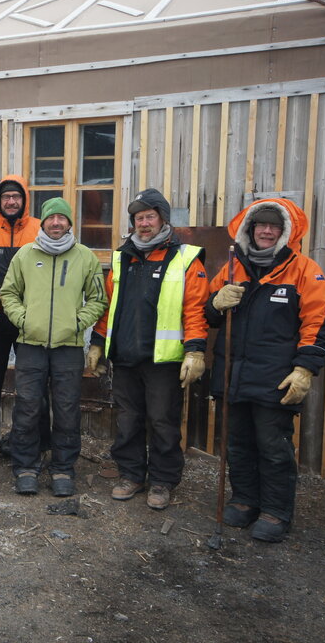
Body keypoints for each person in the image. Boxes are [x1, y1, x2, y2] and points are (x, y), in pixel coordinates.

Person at [207, 198, 325, 542]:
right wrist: (216, 302)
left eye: (273, 226)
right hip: (233, 374)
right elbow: (210, 314)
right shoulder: (233, 267)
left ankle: (275, 511)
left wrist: (305, 369)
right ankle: (245, 500)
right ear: (250, 229)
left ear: (285, 232)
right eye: (260, 225)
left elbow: (319, 324)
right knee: (237, 443)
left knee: (272, 446)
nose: (266, 231)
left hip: (275, 378)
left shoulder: (304, 271)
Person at [88, 189, 209, 511]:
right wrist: (98, 343)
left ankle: (162, 480)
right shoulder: (122, 258)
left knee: (162, 421)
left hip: (163, 361)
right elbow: (109, 307)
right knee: (128, 420)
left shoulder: (184, 258)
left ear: (162, 219)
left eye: (149, 217)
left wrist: (195, 351)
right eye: (138, 218)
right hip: (126, 356)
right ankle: (130, 475)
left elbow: (195, 310)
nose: (143, 223)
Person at [0, 197, 107, 496]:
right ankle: (26, 466)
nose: (56, 223)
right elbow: (8, 293)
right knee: (27, 408)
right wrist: (23, 319)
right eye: (51, 218)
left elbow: (98, 299)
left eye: (62, 218)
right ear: (43, 222)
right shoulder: (25, 255)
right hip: (30, 346)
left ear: (70, 223)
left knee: (67, 410)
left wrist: (76, 322)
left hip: (68, 348)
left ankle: (62, 469)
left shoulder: (85, 257)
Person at [0, 175, 49, 468]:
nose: (11, 201)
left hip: (31, 320)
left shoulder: (39, 228)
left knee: (35, 385)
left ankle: (40, 443)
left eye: (16, 196)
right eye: (6, 197)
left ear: (25, 199)